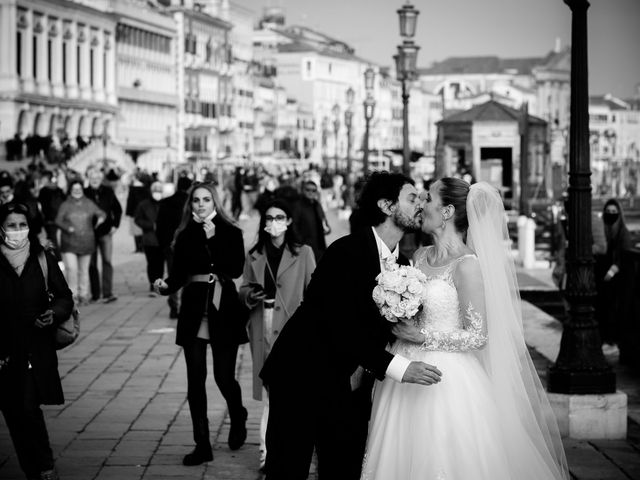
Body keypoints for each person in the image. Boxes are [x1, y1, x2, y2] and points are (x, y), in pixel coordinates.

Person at [360, 178, 569, 480]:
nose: (421, 203)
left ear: (446, 211)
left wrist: (423, 335)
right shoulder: (420, 256)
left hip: (447, 378)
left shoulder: (467, 265)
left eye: (428, 197)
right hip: (404, 365)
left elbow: (478, 335)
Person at [260, 171, 442, 480]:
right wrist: (399, 368)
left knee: (344, 468)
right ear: (386, 205)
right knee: (287, 471)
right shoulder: (345, 251)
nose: (420, 204)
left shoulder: (404, 267)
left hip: (351, 385)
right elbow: (338, 325)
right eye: (412, 198)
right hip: (300, 376)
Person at [153, 182, 249, 466]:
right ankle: (202, 444)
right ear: (190, 204)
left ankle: (238, 414)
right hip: (194, 310)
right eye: (196, 200)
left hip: (223, 310)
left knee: (223, 377)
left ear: (215, 202)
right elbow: (180, 273)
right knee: (195, 380)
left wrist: (215, 238)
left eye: (206, 199)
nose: (201, 204)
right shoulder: (184, 234)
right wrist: (165, 286)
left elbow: (234, 269)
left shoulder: (231, 232)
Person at [238, 199, 316, 470]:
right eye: (269, 218)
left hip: (294, 328)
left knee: (293, 391)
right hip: (263, 322)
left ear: (289, 221)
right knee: (271, 391)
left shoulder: (303, 252)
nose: (274, 223)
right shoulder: (254, 253)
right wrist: (249, 294)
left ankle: (289, 449)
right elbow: (244, 286)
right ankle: (267, 452)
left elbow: (314, 292)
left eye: (280, 217)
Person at [0, 202, 74, 480]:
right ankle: (31, 467)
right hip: (5, 350)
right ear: (1, 228)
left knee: (29, 407)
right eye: (11, 225)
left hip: (35, 347)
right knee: (12, 411)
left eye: (22, 225)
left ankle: (44, 467)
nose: (17, 231)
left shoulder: (42, 258)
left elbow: (65, 296)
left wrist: (53, 314)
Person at [55, 180, 106, 305]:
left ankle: (84, 295)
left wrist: (101, 218)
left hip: (86, 241)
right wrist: (67, 228)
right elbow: (58, 220)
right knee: (71, 269)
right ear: (70, 191)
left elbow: (101, 212)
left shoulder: (89, 203)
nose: (77, 191)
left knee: (84, 270)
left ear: (82, 190)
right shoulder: (65, 204)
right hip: (69, 242)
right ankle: (72, 295)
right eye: (74, 189)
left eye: (79, 189)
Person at [597, 199, 633, 351]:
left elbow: (623, 256)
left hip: (616, 277)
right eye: (608, 211)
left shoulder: (623, 231)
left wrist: (612, 271)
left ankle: (612, 339)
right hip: (600, 273)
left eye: (614, 212)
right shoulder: (601, 229)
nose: (610, 214)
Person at [156, 176, 192, 319]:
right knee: (188, 277)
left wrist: (163, 245)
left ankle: (174, 306)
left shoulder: (166, 202)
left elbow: (159, 226)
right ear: (189, 188)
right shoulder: (190, 204)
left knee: (173, 276)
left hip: (170, 246)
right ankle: (185, 306)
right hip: (188, 246)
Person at [84, 167, 122, 303]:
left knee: (107, 261)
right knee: (92, 264)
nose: (95, 180)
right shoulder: (84, 193)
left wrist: (115, 225)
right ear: (88, 179)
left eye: (97, 178)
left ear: (101, 179)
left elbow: (117, 210)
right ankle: (95, 294)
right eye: (92, 178)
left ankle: (107, 293)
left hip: (105, 232)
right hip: (89, 233)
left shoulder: (108, 192)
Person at [134, 182, 164, 295]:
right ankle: (152, 284)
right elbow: (137, 219)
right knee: (152, 263)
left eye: (159, 190)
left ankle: (159, 284)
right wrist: (150, 225)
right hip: (149, 239)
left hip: (162, 239)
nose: (157, 193)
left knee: (160, 263)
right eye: (155, 190)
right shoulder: (144, 204)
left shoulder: (165, 204)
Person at [293, 180, 331, 262]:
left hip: (320, 246)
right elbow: (294, 227)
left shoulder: (317, 205)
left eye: (313, 190)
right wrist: (301, 242)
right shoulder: (298, 206)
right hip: (305, 248)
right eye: (308, 190)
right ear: (303, 190)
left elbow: (324, 222)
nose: (311, 192)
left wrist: (327, 229)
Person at [38, 171, 66, 258]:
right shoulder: (59, 189)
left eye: (42, 178)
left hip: (50, 220)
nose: (41, 180)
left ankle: (59, 261)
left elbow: (41, 206)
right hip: (60, 219)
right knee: (59, 240)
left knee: (53, 240)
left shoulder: (43, 190)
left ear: (47, 178)